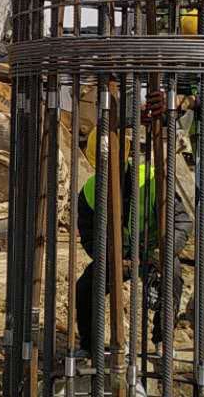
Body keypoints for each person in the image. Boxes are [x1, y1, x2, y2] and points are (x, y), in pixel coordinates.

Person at [73, 92, 190, 355]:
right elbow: (90, 238)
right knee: (86, 286)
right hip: (119, 257)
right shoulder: (91, 191)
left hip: (152, 253)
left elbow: (182, 220)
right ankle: (90, 346)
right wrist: (113, 258)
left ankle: (162, 341)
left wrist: (164, 249)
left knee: (172, 274)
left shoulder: (150, 181)